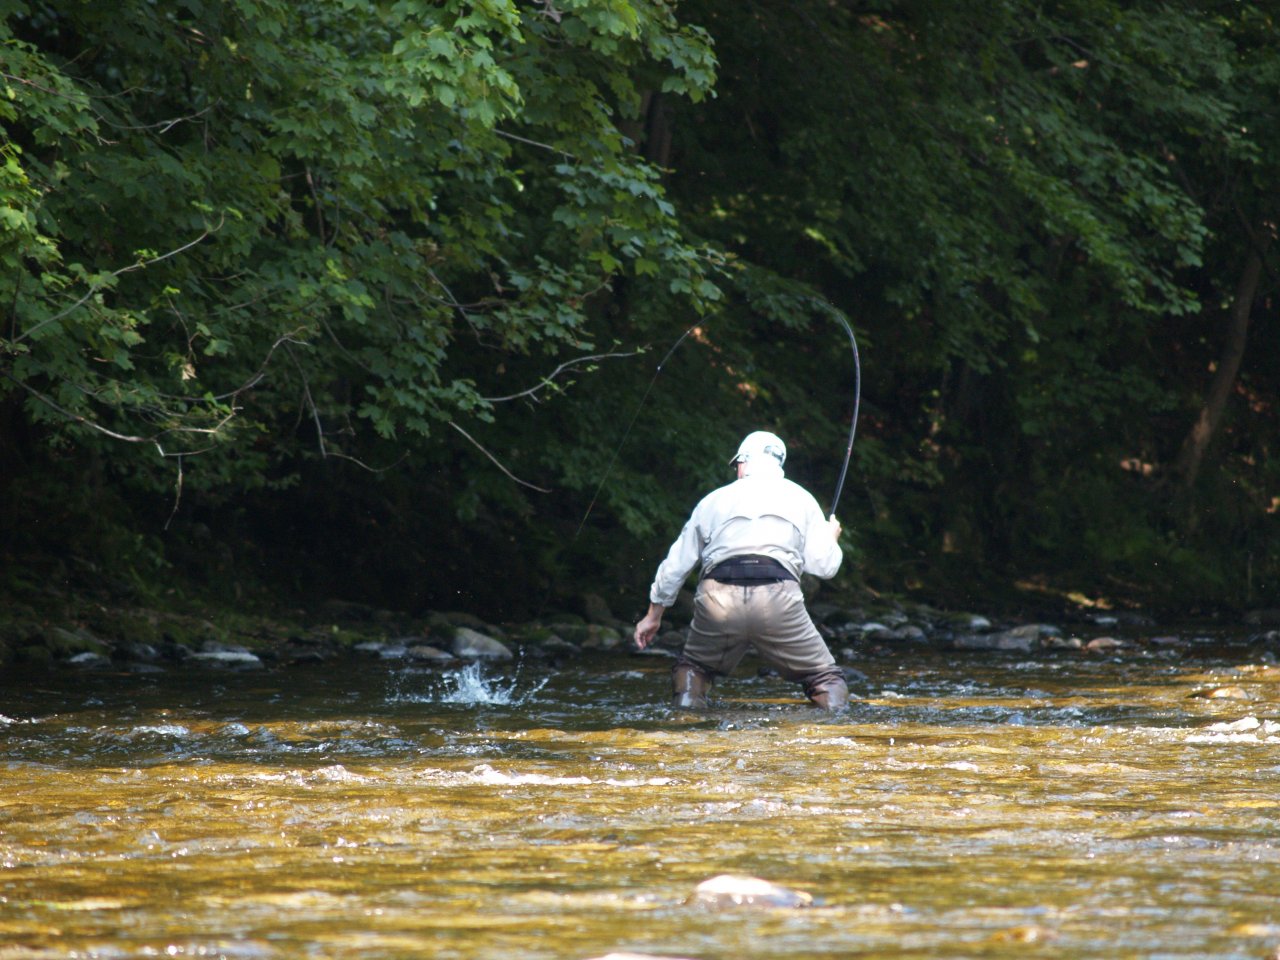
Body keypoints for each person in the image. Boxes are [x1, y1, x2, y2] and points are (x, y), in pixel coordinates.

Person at [633, 430, 849, 710]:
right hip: (778, 599)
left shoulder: (712, 500)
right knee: (826, 679)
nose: (736, 469)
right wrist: (831, 538)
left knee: (694, 669)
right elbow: (824, 567)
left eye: (737, 464)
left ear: (744, 461)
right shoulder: (802, 498)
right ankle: (831, 730)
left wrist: (653, 616)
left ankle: (684, 720)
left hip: (717, 599)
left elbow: (677, 564)